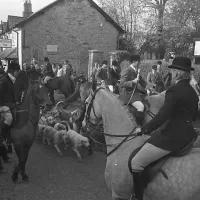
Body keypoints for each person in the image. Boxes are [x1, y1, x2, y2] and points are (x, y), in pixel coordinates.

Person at [131, 57, 198, 200]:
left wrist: (144, 129)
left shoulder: (174, 90)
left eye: (173, 70)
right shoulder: (193, 92)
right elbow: (192, 117)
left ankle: (138, 197)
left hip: (172, 136)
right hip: (189, 135)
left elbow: (162, 116)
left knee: (136, 162)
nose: (171, 73)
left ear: (179, 73)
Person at [119, 55, 147, 126]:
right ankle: (138, 126)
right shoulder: (127, 70)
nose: (140, 63)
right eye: (139, 61)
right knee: (141, 107)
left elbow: (143, 83)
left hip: (135, 93)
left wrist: (151, 87)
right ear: (134, 62)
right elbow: (122, 84)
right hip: (128, 95)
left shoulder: (136, 71)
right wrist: (133, 82)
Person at [0, 62, 17, 163]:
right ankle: (3, 137)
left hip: (7, 104)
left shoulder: (10, 80)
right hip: (2, 105)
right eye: (17, 72)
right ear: (14, 71)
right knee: (9, 118)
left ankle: (9, 142)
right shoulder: (4, 80)